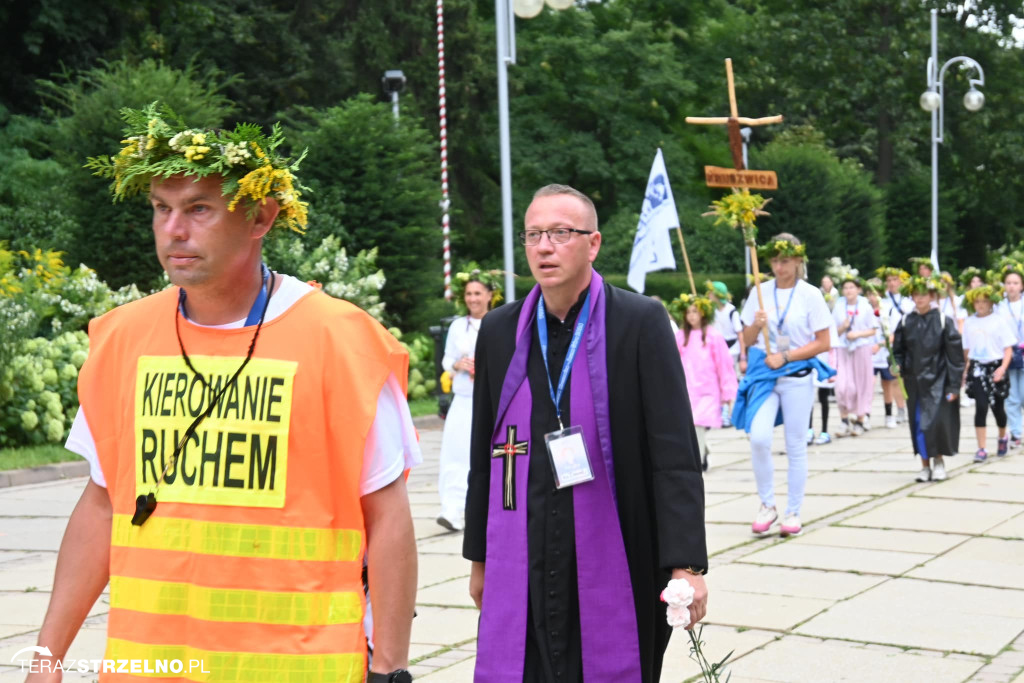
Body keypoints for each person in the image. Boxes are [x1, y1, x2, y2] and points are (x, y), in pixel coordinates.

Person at [30, 104, 419, 683]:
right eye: (161, 209)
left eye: (199, 210)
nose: (174, 230)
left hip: (299, 668)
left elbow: (387, 519)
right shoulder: (124, 339)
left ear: (260, 218)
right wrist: (46, 657)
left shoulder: (340, 341)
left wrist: (389, 670)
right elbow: (99, 504)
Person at [463, 184, 708, 683]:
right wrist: (480, 558)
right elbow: (481, 453)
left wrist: (686, 564)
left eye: (560, 233)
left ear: (593, 243)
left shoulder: (639, 322)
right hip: (523, 550)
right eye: (534, 235)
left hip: (621, 547)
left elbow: (673, 450)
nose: (545, 247)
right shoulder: (499, 330)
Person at [735, 234, 832, 538]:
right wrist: (756, 325)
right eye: (775, 260)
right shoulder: (760, 293)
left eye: (785, 260)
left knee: (795, 446)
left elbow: (823, 342)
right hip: (766, 377)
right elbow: (746, 341)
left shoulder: (810, 294)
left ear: (798, 261)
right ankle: (767, 504)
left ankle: (793, 511)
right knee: (759, 438)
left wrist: (787, 355)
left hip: (797, 378)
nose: (779, 266)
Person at [437, 268, 501, 532]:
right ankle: (452, 511)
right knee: (455, 453)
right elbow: (446, 360)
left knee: (490, 455)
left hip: (492, 400)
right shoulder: (456, 327)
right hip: (464, 399)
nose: (473, 299)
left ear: (489, 295)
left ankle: (492, 509)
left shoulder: (500, 322)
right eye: (468, 294)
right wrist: (458, 364)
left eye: (477, 293)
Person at [893, 275, 964, 483]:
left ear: (932, 296)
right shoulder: (907, 321)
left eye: (924, 294)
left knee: (936, 423)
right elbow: (898, 350)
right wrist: (896, 363)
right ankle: (924, 465)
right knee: (918, 424)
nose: (919, 298)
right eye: (916, 294)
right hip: (914, 381)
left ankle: (939, 462)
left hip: (938, 380)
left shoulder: (943, 321)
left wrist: (954, 385)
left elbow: (955, 356)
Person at [671, 292, 738, 471]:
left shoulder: (713, 336)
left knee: (698, 423)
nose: (691, 315)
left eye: (695, 311)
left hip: (708, 389)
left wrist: (728, 391)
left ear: (703, 314)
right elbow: (672, 362)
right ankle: (704, 450)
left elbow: (724, 365)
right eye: (688, 312)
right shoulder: (679, 337)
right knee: (691, 425)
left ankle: (698, 461)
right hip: (687, 388)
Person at [962, 285, 1015, 461]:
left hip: (995, 366)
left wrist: (1002, 368)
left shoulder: (998, 321)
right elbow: (967, 349)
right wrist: (965, 369)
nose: (981, 305)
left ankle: (1002, 436)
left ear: (991, 302)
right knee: (981, 406)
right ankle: (982, 448)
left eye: (984, 301)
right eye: (977, 302)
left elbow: (1008, 349)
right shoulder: (970, 322)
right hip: (977, 368)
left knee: (998, 408)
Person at [832, 276, 878, 436]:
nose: (848, 291)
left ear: (858, 289)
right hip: (844, 349)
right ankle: (844, 419)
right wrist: (842, 327)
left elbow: (873, 329)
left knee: (862, 384)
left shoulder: (865, 306)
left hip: (861, 348)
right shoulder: (838, 307)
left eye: (852, 287)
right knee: (843, 385)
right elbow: (833, 332)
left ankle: (860, 419)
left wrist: (858, 334)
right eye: (845, 288)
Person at [864, 281, 902, 429]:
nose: (872, 297)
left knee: (887, 385)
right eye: (869, 294)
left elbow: (893, 334)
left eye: (875, 294)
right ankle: (865, 415)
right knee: (869, 384)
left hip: (885, 352)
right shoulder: (865, 310)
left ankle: (889, 415)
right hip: (869, 353)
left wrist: (880, 345)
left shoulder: (889, 310)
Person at [878, 267, 913, 425]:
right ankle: (899, 409)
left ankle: (907, 405)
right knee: (893, 377)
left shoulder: (908, 300)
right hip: (889, 343)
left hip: (907, 342)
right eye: (889, 280)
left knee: (906, 378)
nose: (892, 283)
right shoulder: (883, 302)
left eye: (895, 280)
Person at [996, 263, 1024, 449]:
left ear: (1021, 285)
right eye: (1008, 282)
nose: (1012, 286)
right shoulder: (998, 306)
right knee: (1012, 397)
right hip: (1008, 354)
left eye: (1015, 282)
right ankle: (1016, 433)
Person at [707, 279, 743, 425]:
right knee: (717, 380)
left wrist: (743, 356)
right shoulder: (712, 312)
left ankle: (731, 411)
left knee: (729, 380)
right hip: (717, 348)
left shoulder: (731, 311)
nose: (709, 295)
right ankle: (721, 411)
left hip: (731, 348)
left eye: (711, 292)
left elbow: (739, 333)